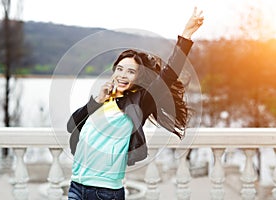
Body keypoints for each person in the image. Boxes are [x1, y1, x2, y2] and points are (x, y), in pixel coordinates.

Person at [67, 7, 204, 200]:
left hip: (104, 192)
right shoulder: (103, 99)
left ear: (139, 77)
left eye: (130, 71)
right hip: (76, 186)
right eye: (120, 69)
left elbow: (169, 75)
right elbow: (72, 125)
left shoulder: (140, 101)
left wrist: (186, 34)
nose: (123, 75)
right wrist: (97, 100)